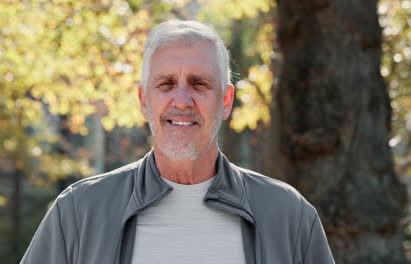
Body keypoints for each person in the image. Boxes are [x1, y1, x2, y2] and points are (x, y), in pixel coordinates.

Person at [20, 20, 334, 264]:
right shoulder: (77, 213)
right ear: (144, 100)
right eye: (166, 83)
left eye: (199, 84)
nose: (181, 100)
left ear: (225, 101)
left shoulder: (289, 216)